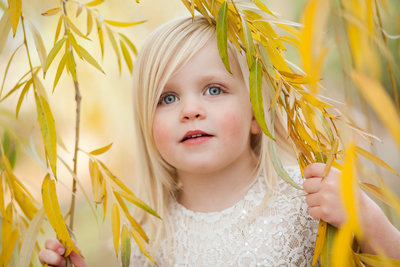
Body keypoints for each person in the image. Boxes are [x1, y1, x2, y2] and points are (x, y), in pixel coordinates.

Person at [39, 16, 400, 266]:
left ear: (256, 113)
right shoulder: (147, 234)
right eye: (167, 98)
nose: (190, 110)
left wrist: (368, 221)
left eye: (214, 89)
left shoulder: (308, 201)